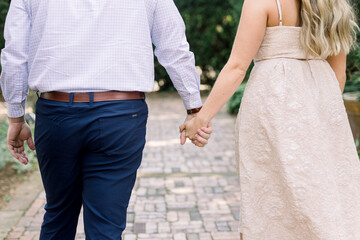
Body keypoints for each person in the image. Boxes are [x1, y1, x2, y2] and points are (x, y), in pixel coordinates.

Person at [0, 0, 212, 239]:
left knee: (58, 215)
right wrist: (194, 109)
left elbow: (15, 56)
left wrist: (16, 117)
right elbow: (174, 47)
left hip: (57, 113)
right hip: (121, 115)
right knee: (106, 226)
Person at [181, 0, 360, 239]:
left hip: (272, 111)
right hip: (323, 113)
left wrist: (201, 117)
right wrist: (316, 115)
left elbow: (236, 67)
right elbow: (338, 76)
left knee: (267, 203)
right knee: (321, 196)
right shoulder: (334, 5)